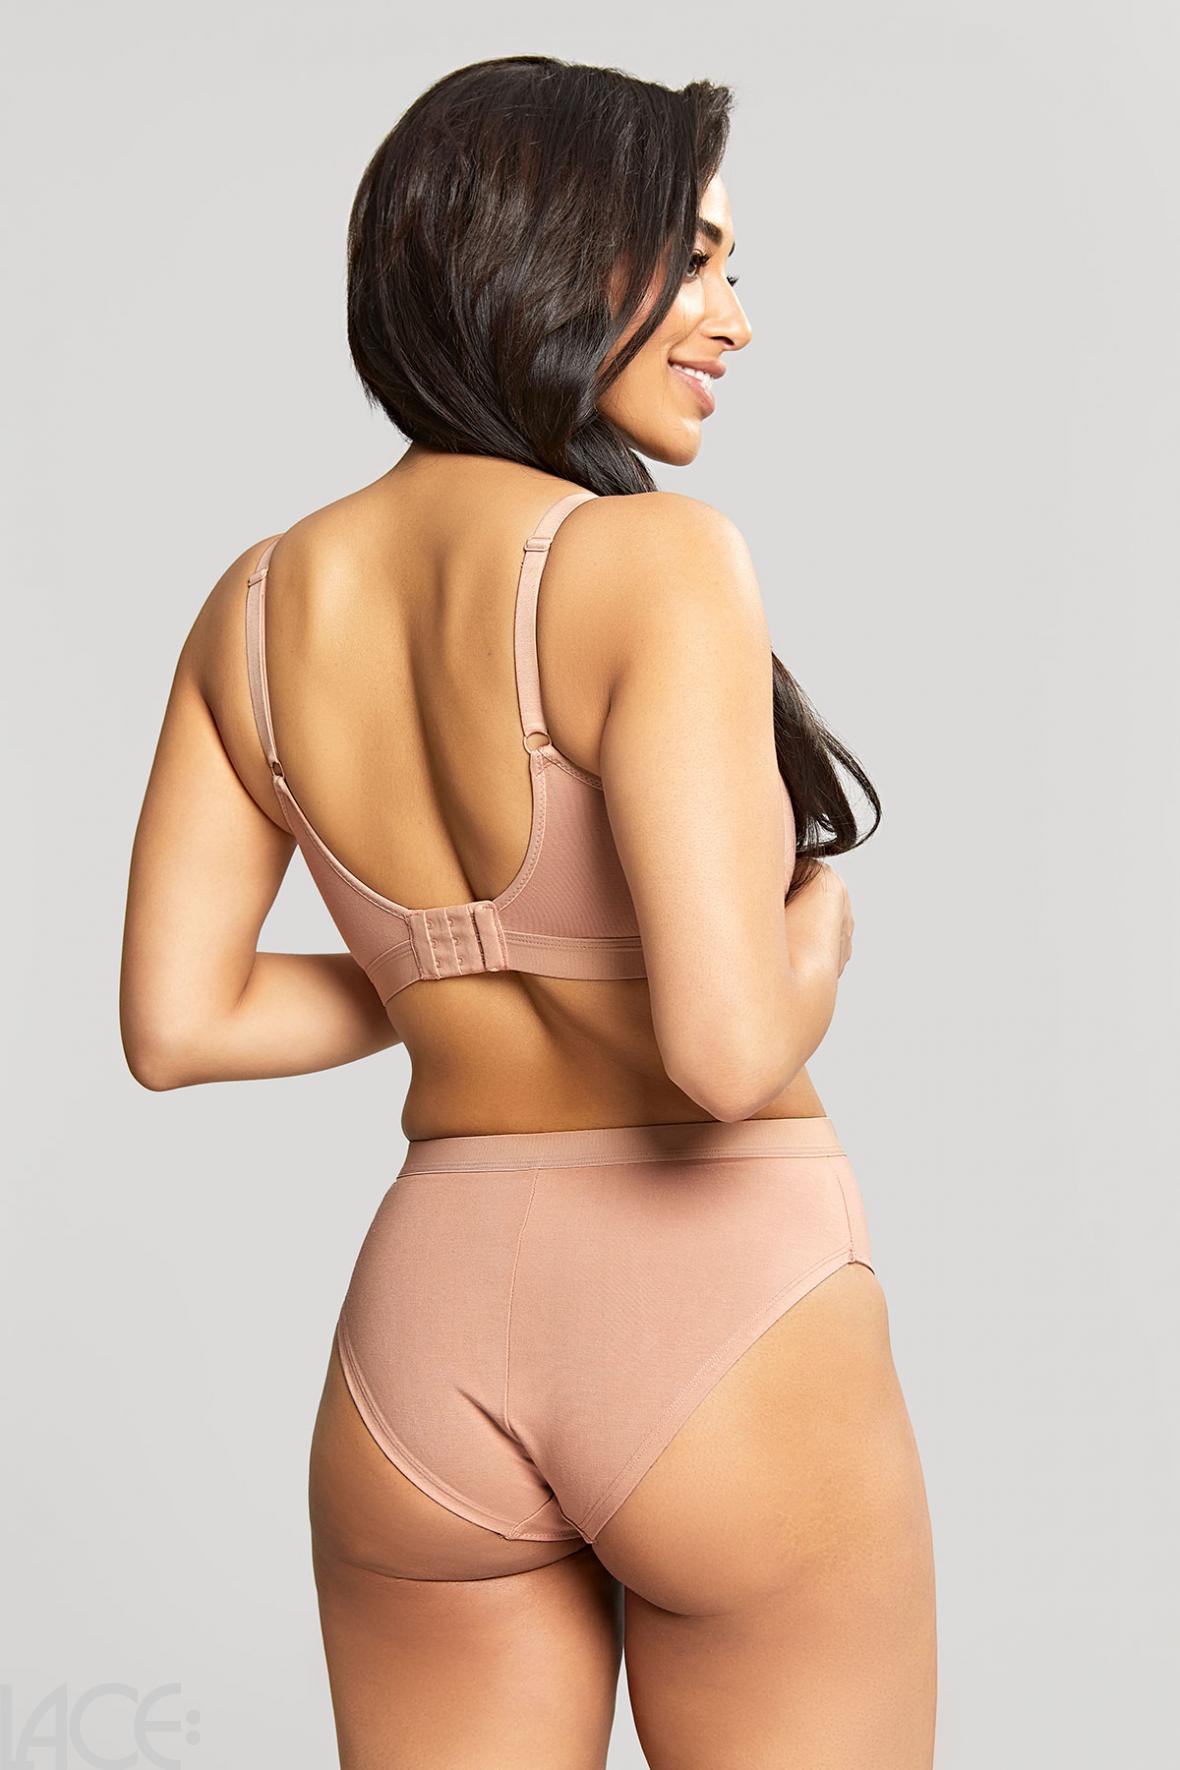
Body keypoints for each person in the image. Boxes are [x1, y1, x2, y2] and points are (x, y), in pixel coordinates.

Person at [120, 54, 936, 1770]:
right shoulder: (656, 561)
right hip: (721, 1300)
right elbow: (723, 1053)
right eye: (696, 260)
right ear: (558, 257)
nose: (735, 318)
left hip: (426, 1336)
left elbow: (178, 1025)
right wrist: (818, 941)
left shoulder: (251, 607)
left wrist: (439, 962)